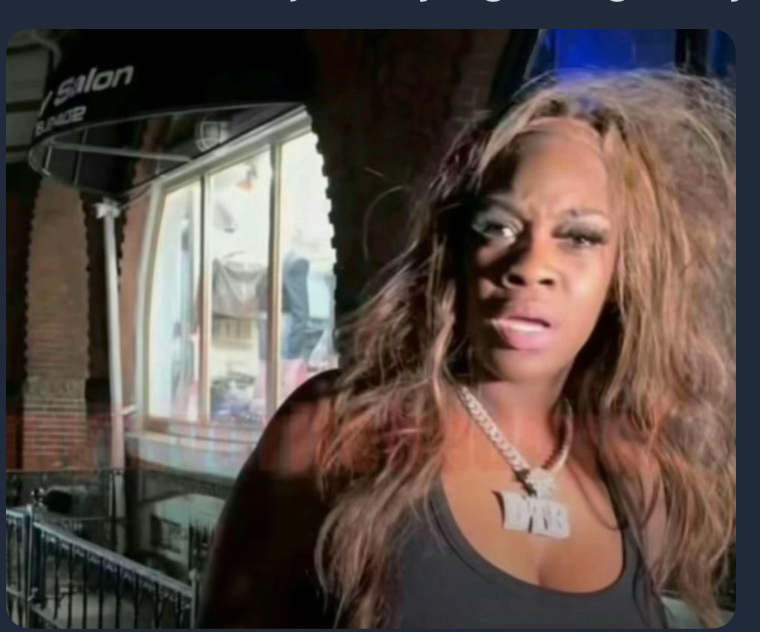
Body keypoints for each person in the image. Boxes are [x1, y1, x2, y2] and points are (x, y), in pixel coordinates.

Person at [198, 70, 736, 629]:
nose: (530, 267)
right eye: (499, 227)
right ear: (455, 248)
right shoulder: (334, 433)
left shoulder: (636, 474)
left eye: (579, 237)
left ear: (627, 271)